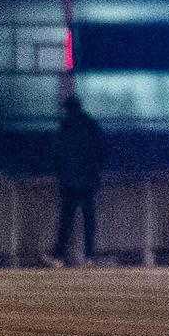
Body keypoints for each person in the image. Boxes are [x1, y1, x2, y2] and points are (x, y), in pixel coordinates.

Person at [50, 83, 107, 266]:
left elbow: (58, 153)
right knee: (89, 219)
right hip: (88, 179)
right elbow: (100, 150)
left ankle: (59, 254)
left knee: (66, 219)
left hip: (69, 180)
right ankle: (89, 255)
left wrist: (59, 171)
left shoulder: (65, 128)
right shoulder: (91, 126)